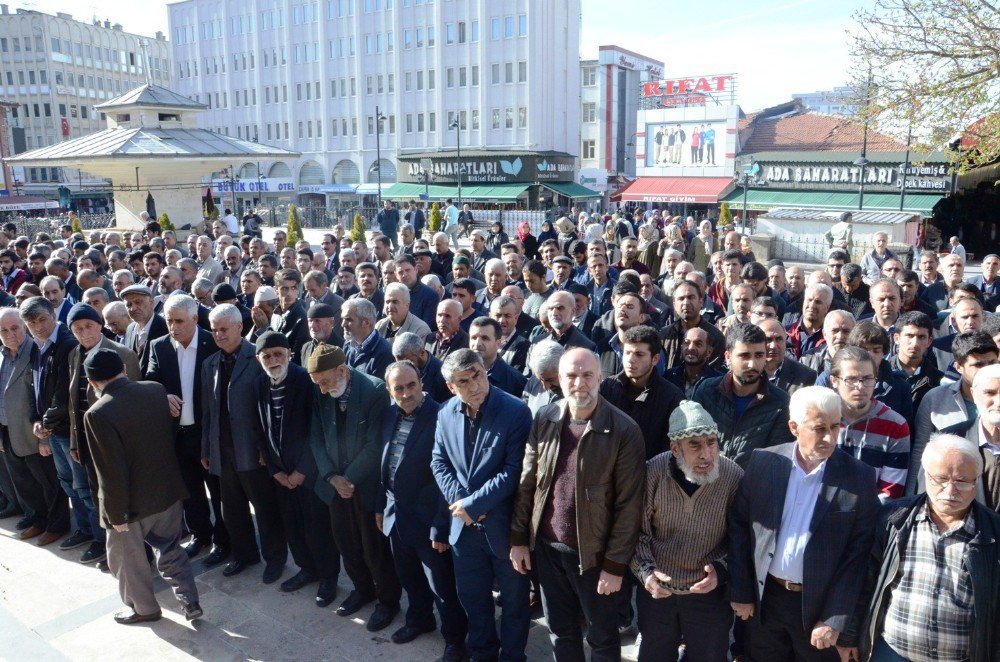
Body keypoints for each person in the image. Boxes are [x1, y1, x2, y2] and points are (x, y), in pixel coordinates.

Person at [510, 348, 645, 661]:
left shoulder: (624, 430)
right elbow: (528, 482)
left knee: (602, 639)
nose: (579, 382)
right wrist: (518, 539)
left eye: (587, 375)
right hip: (547, 550)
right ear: (560, 379)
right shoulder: (546, 417)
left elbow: (629, 507)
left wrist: (614, 566)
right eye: (572, 375)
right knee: (561, 631)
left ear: (600, 378)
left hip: (594, 557)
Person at [728, 386, 880, 661]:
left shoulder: (859, 478)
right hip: (766, 602)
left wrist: (835, 619)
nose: (830, 437)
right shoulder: (764, 462)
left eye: (835, 427)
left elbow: (858, 559)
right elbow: (740, 528)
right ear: (794, 427)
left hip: (817, 610)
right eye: (819, 428)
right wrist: (741, 590)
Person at [840, 433, 1000, 662]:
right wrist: (849, 636)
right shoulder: (893, 518)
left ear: (976, 481)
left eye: (962, 481)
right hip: (891, 651)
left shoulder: (993, 533)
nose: (950, 490)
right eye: (941, 478)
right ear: (925, 475)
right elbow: (864, 579)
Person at [82, 349, 202, 624]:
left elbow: (109, 470)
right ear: (124, 368)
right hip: (168, 491)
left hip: (131, 505)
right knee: (172, 549)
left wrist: (115, 516)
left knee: (128, 562)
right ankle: (189, 600)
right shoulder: (156, 390)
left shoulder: (98, 413)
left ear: (92, 383)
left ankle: (144, 609)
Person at [430, 349, 533, 662]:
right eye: (464, 380)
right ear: (451, 387)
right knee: (474, 599)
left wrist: (474, 504)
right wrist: (461, 504)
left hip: (504, 527)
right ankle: (483, 652)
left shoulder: (515, 411)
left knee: (514, 602)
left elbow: (515, 470)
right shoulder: (446, 412)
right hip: (464, 530)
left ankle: (513, 656)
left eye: (477, 374)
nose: (474, 384)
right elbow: (439, 461)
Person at [632, 400, 743, 662]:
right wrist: (646, 572)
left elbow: (743, 539)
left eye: (711, 442)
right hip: (659, 592)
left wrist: (722, 569)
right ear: (674, 448)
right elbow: (637, 532)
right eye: (694, 444)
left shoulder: (733, 477)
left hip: (709, 596)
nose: (706, 454)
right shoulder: (654, 472)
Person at [306, 343, 402, 632]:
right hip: (336, 486)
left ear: (342, 370)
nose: (321, 390)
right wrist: (332, 478)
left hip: (366, 486)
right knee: (346, 543)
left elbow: (376, 445)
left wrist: (348, 478)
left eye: (324, 382)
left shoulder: (373, 391)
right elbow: (316, 438)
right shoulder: (321, 390)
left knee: (374, 549)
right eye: (317, 384)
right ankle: (362, 589)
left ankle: (388, 601)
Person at [378, 361, 468, 660]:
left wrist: (441, 526)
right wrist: (382, 507)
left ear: (421, 382)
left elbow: (450, 477)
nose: (406, 394)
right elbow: (386, 464)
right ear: (390, 392)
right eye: (398, 389)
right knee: (410, 578)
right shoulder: (389, 414)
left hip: (430, 523)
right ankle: (419, 619)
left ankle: (455, 640)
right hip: (397, 516)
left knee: (442, 587)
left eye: (411, 385)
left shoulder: (443, 416)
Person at [200, 304, 287, 584]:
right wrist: (206, 448)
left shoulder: (257, 358)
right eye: (214, 330)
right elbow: (208, 411)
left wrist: (267, 450)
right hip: (222, 450)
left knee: (264, 508)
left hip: (253, 450)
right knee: (231, 508)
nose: (219, 335)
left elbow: (271, 409)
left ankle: (275, 559)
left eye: (224, 329)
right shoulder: (210, 363)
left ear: (240, 326)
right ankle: (244, 554)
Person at [253, 331, 340, 607]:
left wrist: (302, 470)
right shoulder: (259, 384)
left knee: (317, 526)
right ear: (259, 359)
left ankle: (328, 577)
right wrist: (276, 470)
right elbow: (262, 430)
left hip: (309, 473)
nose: (273, 360)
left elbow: (317, 430)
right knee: (293, 525)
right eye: (267, 356)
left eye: (278, 354)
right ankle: (307, 568)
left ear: (289, 354)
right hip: (281, 472)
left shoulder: (305, 380)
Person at [65, 303, 141, 565]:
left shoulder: (122, 355)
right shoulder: (75, 354)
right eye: (77, 329)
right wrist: (75, 442)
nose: (84, 333)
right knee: (98, 496)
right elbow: (73, 401)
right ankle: (113, 550)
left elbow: (133, 402)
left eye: (89, 326)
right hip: (87, 439)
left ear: (100, 325)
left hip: (116, 442)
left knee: (121, 495)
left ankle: (137, 552)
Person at [21, 296, 89, 550]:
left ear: (53, 315)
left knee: (83, 488)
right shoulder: (38, 346)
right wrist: (35, 420)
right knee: (69, 485)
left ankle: (98, 537)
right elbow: (34, 387)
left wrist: (45, 423)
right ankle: (83, 530)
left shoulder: (66, 344)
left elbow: (64, 393)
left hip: (68, 429)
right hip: (52, 429)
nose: (37, 327)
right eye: (31, 323)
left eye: (41, 320)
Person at [0, 308, 69, 543]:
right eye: (3, 330)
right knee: (25, 483)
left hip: (33, 433)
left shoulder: (36, 351)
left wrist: (44, 437)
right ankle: (38, 519)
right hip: (8, 431)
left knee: (49, 483)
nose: (10, 334)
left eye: (15, 328)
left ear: (24, 327)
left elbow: (41, 397)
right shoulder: (1, 355)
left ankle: (56, 524)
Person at [691, 323, 794, 468]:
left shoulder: (780, 403)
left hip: (751, 487)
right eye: (744, 356)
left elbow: (774, 462)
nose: (752, 364)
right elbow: (691, 443)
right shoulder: (707, 391)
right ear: (728, 357)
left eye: (759, 355)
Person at [909, 331, 998, 495]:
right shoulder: (935, 399)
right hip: (952, 489)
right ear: (959, 367)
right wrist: (914, 497)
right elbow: (921, 452)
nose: (986, 370)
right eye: (978, 365)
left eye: (992, 362)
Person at [600, 325, 683, 460]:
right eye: (627, 352)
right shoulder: (608, 387)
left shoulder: (671, 397)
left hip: (650, 474)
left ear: (655, 359)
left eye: (639, 354)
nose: (631, 360)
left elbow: (670, 451)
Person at [660, 280, 725, 370]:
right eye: (681, 298)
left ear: (701, 302)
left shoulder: (715, 337)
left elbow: (714, 373)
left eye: (691, 297)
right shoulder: (664, 335)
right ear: (674, 305)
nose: (686, 303)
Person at [758, 318, 817, 396]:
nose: (773, 346)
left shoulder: (806, 376)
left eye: (779, 339)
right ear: (756, 342)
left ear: (786, 341)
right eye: (768, 340)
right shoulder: (749, 372)